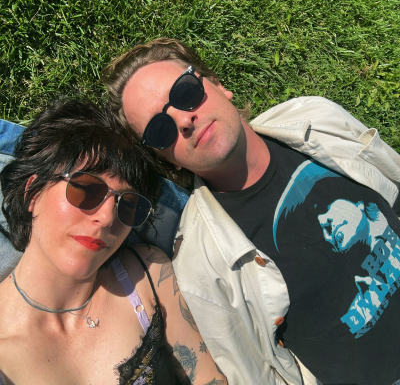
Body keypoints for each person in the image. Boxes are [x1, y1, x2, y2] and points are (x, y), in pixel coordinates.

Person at [101, 38, 400, 385]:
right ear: (164, 159)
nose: (184, 120)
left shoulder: (317, 117)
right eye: (160, 130)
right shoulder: (201, 266)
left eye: (185, 92)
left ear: (217, 85)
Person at [0, 99, 227, 385]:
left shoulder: (145, 274)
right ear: (32, 193)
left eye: (128, 205)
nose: (108, 218)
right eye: (86, 189)